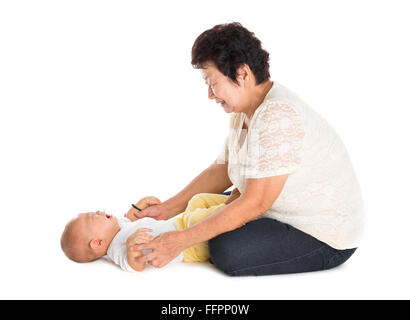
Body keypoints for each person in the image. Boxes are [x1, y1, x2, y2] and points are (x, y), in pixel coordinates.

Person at [126, 22, 364, 276]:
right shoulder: (244, 113)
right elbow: (221, 171)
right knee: (206, 210)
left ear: (242, 74)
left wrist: (179, 241)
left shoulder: (278, 114)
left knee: (228, 250)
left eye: (212, 82)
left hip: (324, 236)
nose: (209, 94)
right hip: (276, 209)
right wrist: (166, 209)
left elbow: (257, 202)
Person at [60, 190, 241, 272]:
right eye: (94, 216)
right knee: (197, 217)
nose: (99, 211)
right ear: (98, 242)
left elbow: (130, 219)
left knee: (197, 200)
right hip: (189, 247)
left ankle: (227, 203)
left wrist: (138, 206)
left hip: (180, 225)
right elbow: (134, 266)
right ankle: (237, 207)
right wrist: (132, 248)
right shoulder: (116, 249)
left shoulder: (118, 227)